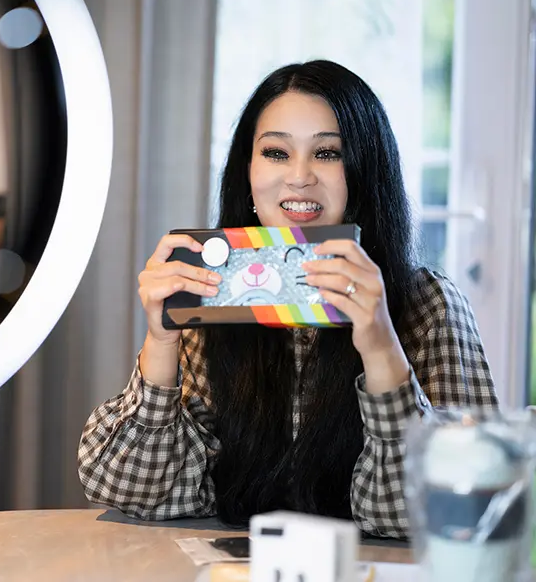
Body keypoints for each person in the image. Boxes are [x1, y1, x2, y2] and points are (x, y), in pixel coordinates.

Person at [76, 59, 498, 539]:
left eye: (327, 153)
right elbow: (130, 489)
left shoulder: (428, 304)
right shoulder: (212, 297)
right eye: (276, 152)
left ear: (364, 173)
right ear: (248, 173)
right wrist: (161, 341)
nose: (299, 177)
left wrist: (381, 345)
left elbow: (457, 509)